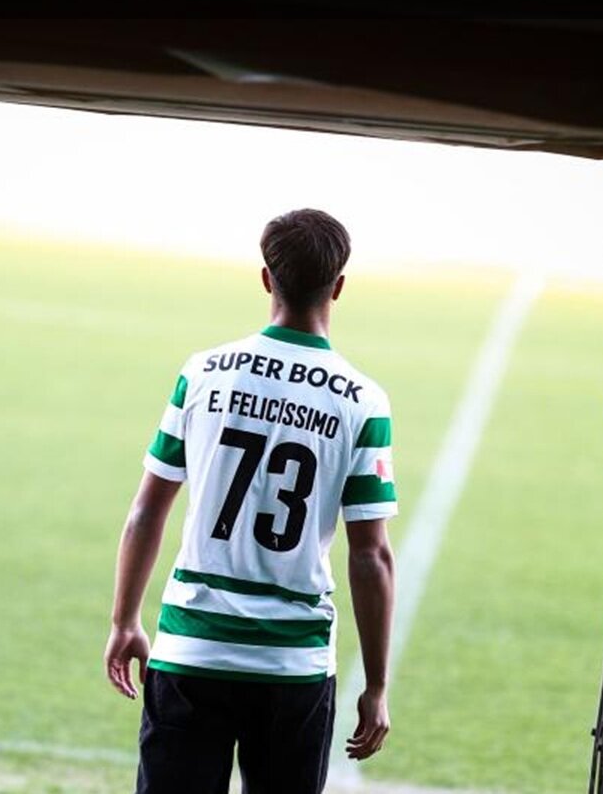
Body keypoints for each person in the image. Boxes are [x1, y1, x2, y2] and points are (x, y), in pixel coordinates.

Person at [104, 208, 398, 794]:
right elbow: (371, 556)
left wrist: (124, 620)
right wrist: (376, 685)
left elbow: (146, 511)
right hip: (293, 667)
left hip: (191, 650)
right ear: (338, 286)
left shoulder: (202, 373)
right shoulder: (363, 401)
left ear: (267, 279)